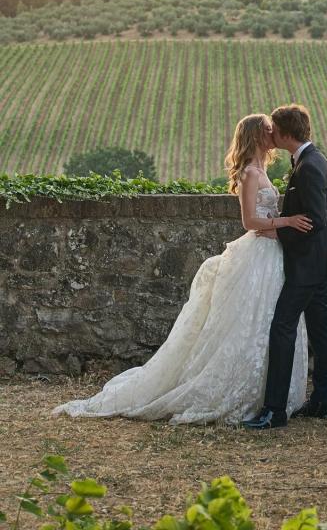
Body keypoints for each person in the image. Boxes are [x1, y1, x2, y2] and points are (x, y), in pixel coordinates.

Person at [51, 114, 312, 424]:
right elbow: (249, 222)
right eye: (268, 130)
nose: (273, 134)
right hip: (257, 255)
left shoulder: (263, 170)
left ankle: (267, 392)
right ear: (256, 135)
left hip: (271, 255)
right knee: (246, 323)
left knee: (267, 321)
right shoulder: (250, 173)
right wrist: (286, 221)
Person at [243, 103, 327, 430]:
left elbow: (314, 220)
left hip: (307, 265)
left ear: (285, 134)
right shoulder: (314, 159)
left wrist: (279, 230)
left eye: (273, 130)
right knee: (321, 330)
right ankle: (322, 401)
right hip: (318, 261)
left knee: (282, 328)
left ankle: (274, 411)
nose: (270, 135)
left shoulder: (308, 166)